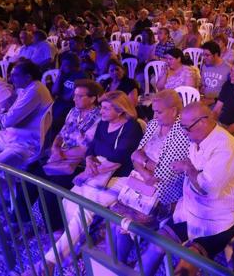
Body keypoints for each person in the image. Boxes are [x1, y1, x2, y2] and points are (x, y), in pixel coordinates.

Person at [33, 91, 143, 275]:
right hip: (96, 170)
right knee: (68, 201)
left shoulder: (132, 127)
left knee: (84, 210)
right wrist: (90, 161)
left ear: (120, 110)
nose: (102, 111)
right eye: (102, 107)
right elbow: (91, 148)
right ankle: (73, 243)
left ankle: (49, 262)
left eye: (107, 108)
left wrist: (87, 173)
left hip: (119, 178)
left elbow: (119, 159)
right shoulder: (103, 123)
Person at [158, 102, 234, 276]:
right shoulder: (198, 137)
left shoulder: (226, 149)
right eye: (182, 126)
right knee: (156, 244)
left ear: (202, 121)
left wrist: (188, 169)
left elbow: (207, 190)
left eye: (186, 128)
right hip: (191, 209)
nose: (184, 132)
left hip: (220, 217)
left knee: (187, 264)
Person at [113, 90, 190, 275]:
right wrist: (145, 170)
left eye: (159, 112)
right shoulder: (154, 124)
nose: (154, 115)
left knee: (126, 223)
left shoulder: (182, 132)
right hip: (141, 184)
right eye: (154, 111)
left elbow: (165, 173)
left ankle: (120, 265)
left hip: (164, 194)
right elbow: (134, 155)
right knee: (117, 222)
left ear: (173, 111)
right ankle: (119, 266)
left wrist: (144, 163)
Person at [28, 79, 103, 232]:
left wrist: (60, 154)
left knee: (49, 190)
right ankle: (21, 219)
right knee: (29, 174)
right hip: (61, 157)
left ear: (93, 98)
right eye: (75, 95)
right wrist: (55, 148)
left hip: (79, 163)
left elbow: (84, 150)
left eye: (80, 96)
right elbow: (61, 133)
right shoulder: (73, 111)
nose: (74, 99)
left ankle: (56, 229)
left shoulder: (99, 119)